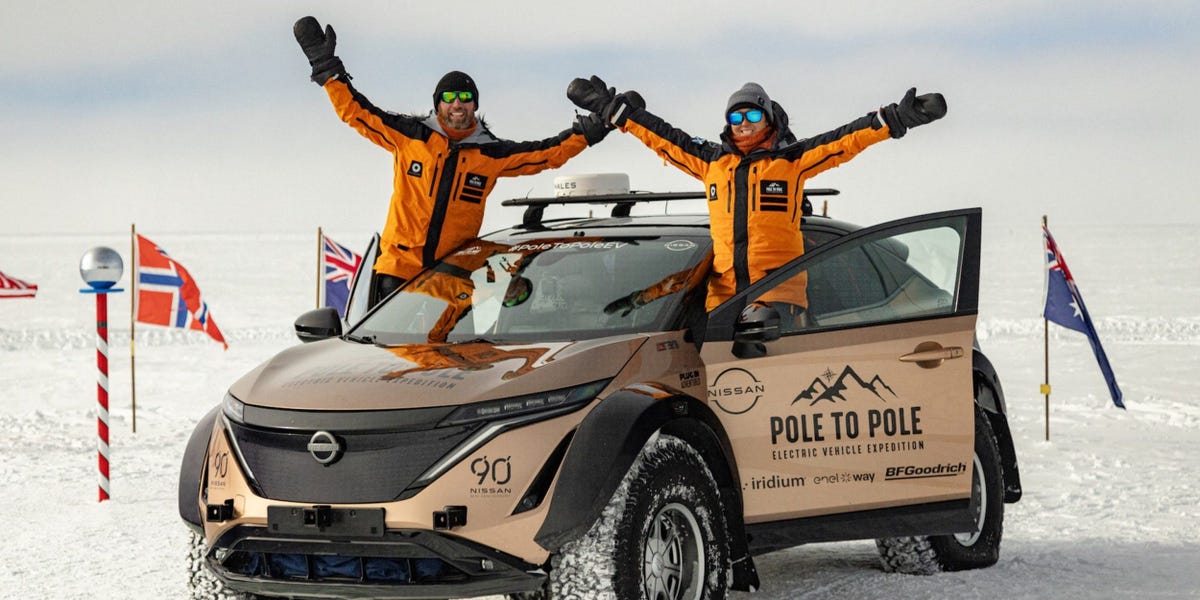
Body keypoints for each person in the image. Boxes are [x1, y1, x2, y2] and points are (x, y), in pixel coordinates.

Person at [568, 76, 947, 325]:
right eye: (736, 115)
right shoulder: (712, 163)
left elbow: (844, 140)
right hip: (723, 299)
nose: (744, 122)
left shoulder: (790, 162)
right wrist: (613, 110)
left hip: (777, 298)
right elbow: (663, 136)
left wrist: (897, 118)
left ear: (767, 119)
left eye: (752, 113)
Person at [293, 17, 610, 306]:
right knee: (393, 356)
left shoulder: (491, 154)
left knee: (461, 345)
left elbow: (545, 154)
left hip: (454, 271)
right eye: (448, 98)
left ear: (474, 105)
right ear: (437, 104)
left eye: (464, 98)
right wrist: (328, 70)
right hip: (399, 272)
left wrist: (587, 133)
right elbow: (358, 112)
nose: (456, 104)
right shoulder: (410, 136)